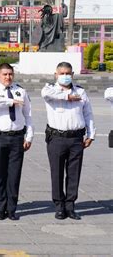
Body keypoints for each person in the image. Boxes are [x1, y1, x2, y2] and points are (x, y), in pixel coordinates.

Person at [41, 62, 95, 220]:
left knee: (74, 172)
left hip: (76, 138)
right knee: (56, 172)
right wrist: (67, 96)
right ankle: (59, 205)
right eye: (62, 73)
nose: (65, 76)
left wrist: (91, 134)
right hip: (57, 138)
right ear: (56, 75)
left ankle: (70, 205)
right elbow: (46, 94)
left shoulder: (80, 91)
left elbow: (88, 114)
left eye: (68, 73)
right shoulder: (50, 89)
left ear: (72, 75)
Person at [0, 63, 34, 221]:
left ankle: (11, 208)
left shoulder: (20, 91)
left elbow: (28, 115)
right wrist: (10, 102)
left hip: (17, 137)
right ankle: (0, 208)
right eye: (4, 74)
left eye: (10, 74)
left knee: (14, 175)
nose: (8, 77)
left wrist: (29, 136)